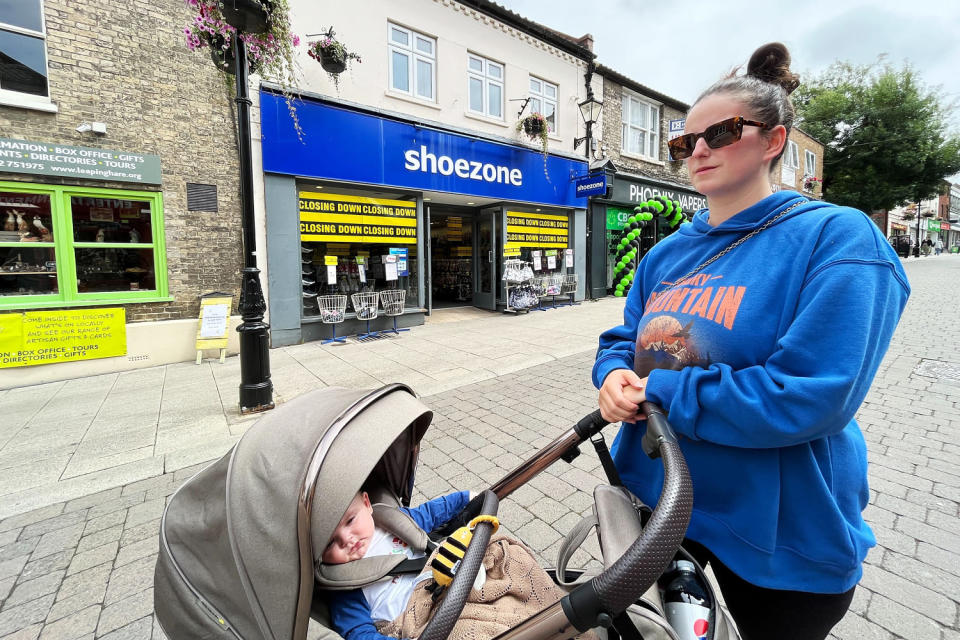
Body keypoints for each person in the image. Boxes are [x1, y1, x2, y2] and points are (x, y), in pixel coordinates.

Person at [593, 43, 909, 640]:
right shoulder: (666, 253)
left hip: (780, 534)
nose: (700, 149)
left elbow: (810, 395)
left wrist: (658, 389)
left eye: (723, 131)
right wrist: (610, 376)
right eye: (685, 143)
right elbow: (622, 339)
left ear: (774, 140)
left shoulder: (837, 239)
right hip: (662, 507)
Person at [323, 490, 577, 640]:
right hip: (424, 622)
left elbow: (432, 512)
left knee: (511, 559)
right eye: (329, 542)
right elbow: (360, 634)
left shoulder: (392, 521)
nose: (347, 539)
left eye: (350, 521)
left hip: (453, 581)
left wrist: (465, 497)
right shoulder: (343, 585)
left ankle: (564, 613)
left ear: (367, 505)